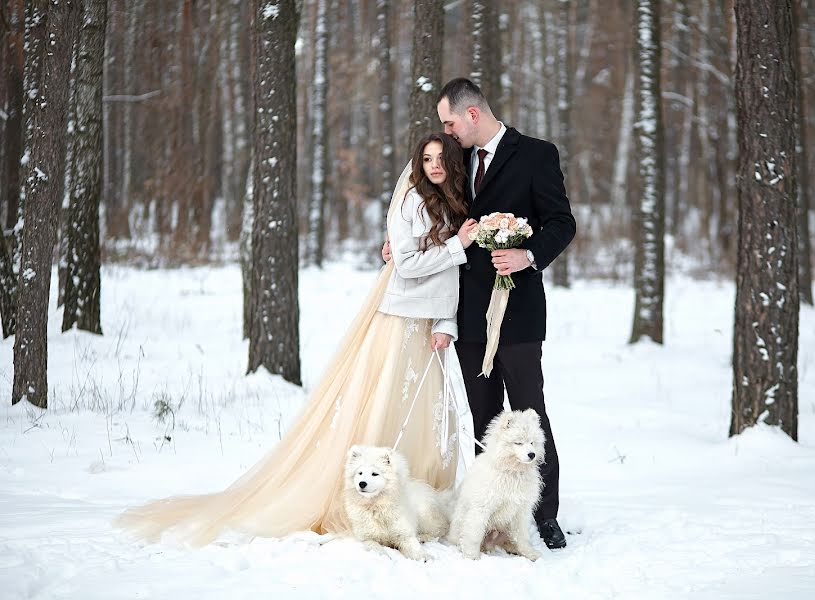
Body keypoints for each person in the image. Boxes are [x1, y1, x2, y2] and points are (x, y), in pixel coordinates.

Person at [117, 133, 478, 546]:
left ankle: (412, 502)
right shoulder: (412, 199)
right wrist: (458, 245)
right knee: (386, 401)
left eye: (441, 159)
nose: (433, 165)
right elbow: (409, 267)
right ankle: (365, 499)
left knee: (420, 412)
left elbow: (450, 275)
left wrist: (446, 318)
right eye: (427, 158)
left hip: (428, 323)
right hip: (399, 319)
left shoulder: (452, 203)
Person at [437, 78, 576, 549]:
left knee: (528, 414)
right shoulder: (454, 159)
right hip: (467, 311)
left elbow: (562, 222)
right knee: (483, 417)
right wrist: (404, 242)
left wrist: (528, 255)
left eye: (450, 122)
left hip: (517, 312)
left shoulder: (537, 154)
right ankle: (491, 510)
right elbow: (433, 211)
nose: (447, 132)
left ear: (472, 114)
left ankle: (545, 514)